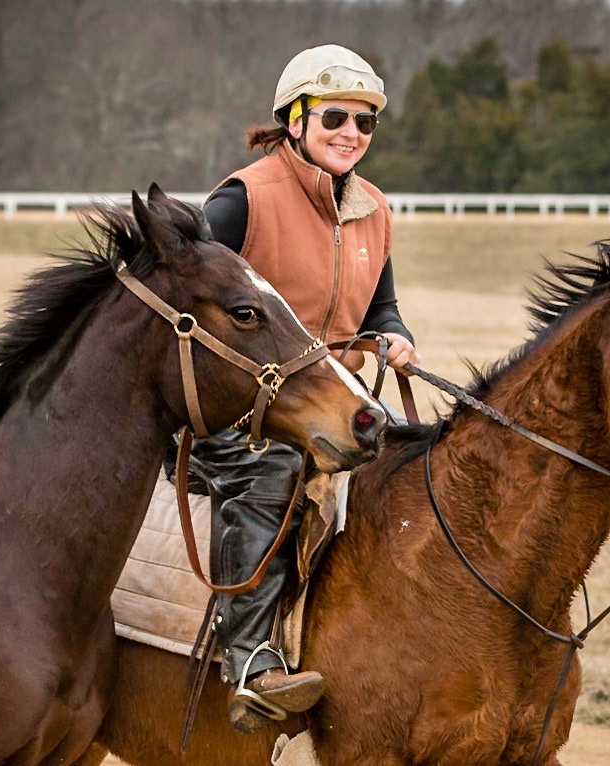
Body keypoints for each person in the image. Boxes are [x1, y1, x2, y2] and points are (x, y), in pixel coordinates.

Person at [186, 44, 420, 734]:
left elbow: (381, 307)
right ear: (294, 121)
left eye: (365, 122)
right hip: (230, 412)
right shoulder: (239, 201)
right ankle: (250, 660)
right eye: (334, 117)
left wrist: (393, 336)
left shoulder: (372, 209)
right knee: (276, 472)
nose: (351, 132)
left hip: (329, 401)